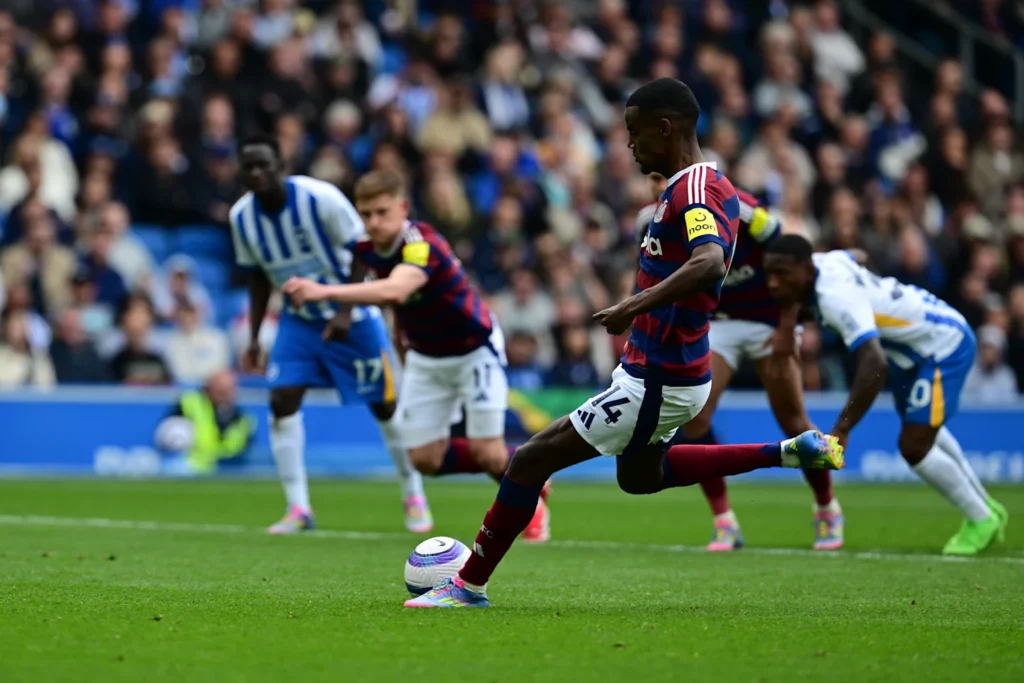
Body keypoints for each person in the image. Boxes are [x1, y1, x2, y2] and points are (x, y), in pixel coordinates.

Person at [397, 78, 843, 608]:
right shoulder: (682, 190)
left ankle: (468, 585)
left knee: (528, 461)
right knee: (640, 478)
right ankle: (787, 453)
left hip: (658, 378)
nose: (629, 146)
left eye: (634, 134)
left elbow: (708, 264)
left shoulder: (696, 189)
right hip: (668, 373)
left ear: (665, 128)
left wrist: (633, 306)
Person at [282, 169, 551, 543]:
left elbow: (396, 290)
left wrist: (323, 292)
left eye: (382, 212)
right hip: (426, 354)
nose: (374, 222)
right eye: (366, 214)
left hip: (474, 350)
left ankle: (530, 497)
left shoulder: (421, 244)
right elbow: (370, 274)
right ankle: (521, 464)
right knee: (424, 458)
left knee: (488, 455)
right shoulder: (367, 247)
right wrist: (386, 334)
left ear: (402, 208)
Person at [230, 134, 430, 535]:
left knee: (385, 407)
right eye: (248, 167)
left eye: (263, 165)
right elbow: (256, 278)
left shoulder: (319, 198)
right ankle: (298, 508)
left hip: (353, 317)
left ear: (281, 167)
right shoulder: (241, 217)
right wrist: (254, 337)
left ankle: (413, 492)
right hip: (297, 320)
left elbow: (363, 249)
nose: (256, 173)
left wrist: (345, 310)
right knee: (282, 398)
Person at [762, 235, 1008, 555]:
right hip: (914, 351)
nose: (773, 283)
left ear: (807, 270)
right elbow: (858, 254)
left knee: (914, 445)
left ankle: (980, 518)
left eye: (781, 274)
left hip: (942, 346)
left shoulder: (836, 298)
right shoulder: (828, 262)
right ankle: (986, 508)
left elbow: (874, 364)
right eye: (769, 273)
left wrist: (843, 428)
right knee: (922, 432)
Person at [676, 188, 841, 552]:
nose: (657, 185)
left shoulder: (745, 211)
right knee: (695, 419)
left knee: (794, 422)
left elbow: (793, 263)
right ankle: (725, 522)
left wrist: (788, 325)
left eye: (662, 178)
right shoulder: (658, 217)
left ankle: (827, 507)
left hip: (770, 318)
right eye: (653, 180)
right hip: (720, 323)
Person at [155, 370, 256, 475]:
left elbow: (246, 449)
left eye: (229, 390)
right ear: (210, 388)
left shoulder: (241, 418)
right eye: (221, 390)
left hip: (226, 470)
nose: (226, 395)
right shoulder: (189, 402)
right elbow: (168, 430)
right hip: (191, 467)